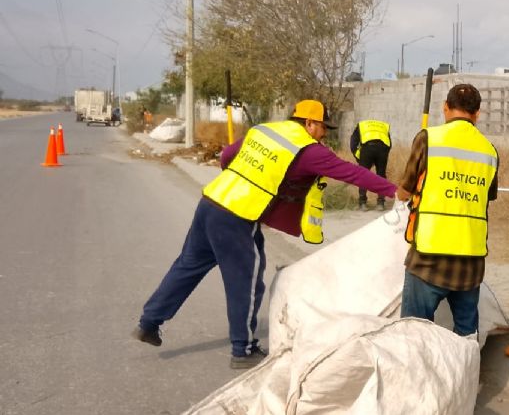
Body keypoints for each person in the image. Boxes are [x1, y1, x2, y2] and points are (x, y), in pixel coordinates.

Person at [132, 100, 397, 369]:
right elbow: (351, 173)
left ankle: (149, 323)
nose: (324, 133)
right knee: (245, 284)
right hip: (239, 215)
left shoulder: (264, 131)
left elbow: (227, 157)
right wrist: (395, 190)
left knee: (187, 266)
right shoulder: (309, 151)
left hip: (212, 201)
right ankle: (243, 349)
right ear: (309, 123)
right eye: (322, 127)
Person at [395, 84, 498, 337]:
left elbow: (405, 190)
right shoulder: (490, 151)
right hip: (470, 260)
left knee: (414, 333)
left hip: (429, 257)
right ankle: (465, 374)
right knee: (465, 335)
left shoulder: (428, 138)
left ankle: (417, 376)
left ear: (445, 108)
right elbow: (488, 195)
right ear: (477, 114)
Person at [350, 119, 392, 211]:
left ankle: (362, 203)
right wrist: (383, 155)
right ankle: (381, 203)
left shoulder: (361, 125)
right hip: (383, 149)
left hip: (367, 148)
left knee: (363, 175)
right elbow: (389, 144)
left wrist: (359, 158)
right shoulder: (384, 125)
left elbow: (353, 143)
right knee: (381, 175)